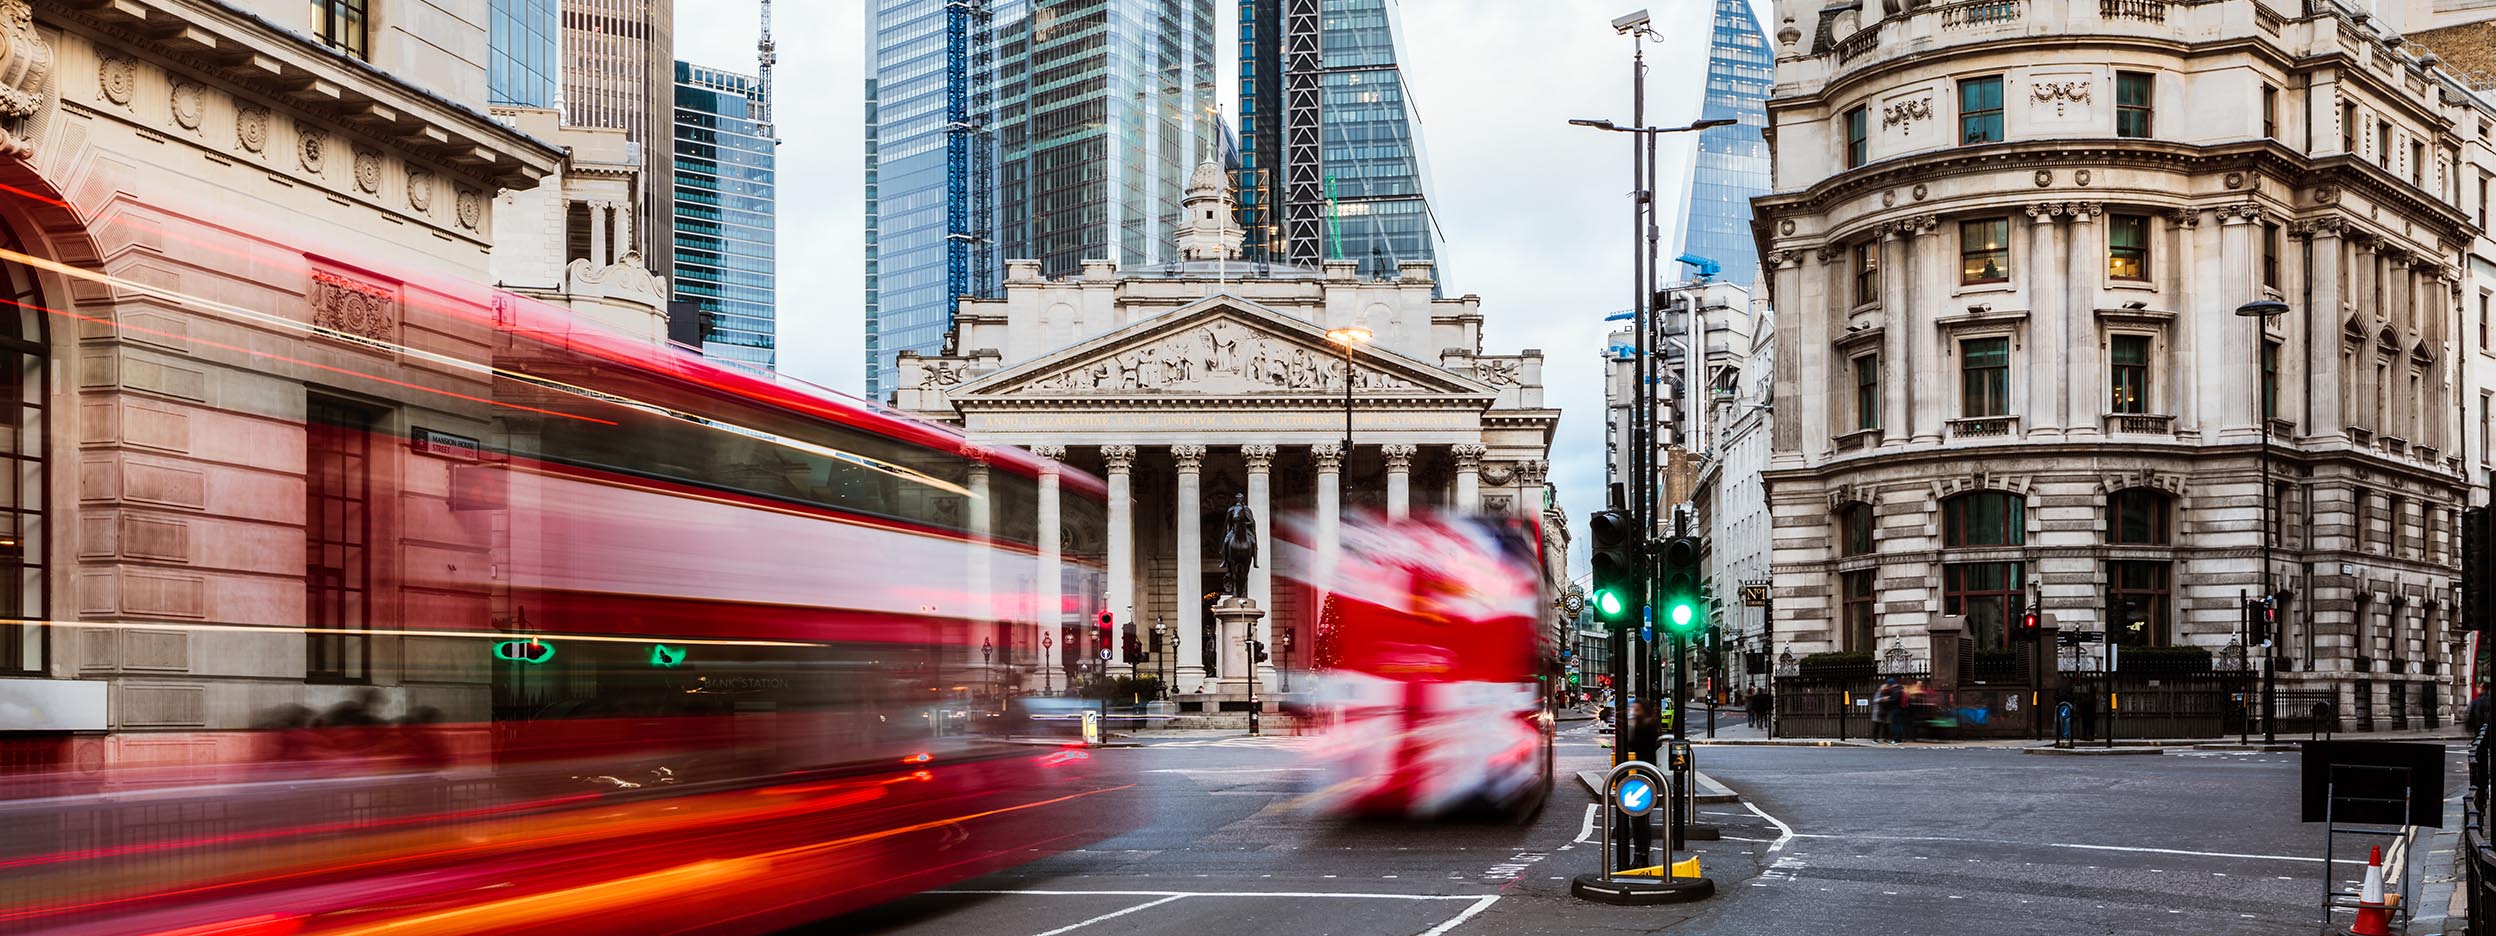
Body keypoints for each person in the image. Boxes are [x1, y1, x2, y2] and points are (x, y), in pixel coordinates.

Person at [1615, 700, 1661, 871]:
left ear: (1643, 711)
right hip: (1644, 775)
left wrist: (1627, 725)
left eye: (1636, 709)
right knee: (1640, 819)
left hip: (1644, 776)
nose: (1633, 712)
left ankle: (1641, 857)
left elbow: (1632, 743)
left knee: (1639, 819)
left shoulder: (1645, 726)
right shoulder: (1647, 724)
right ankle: (1640, 856)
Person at [1873, 676, 1901, 743]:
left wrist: (1887, 699)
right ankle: (1875, 738)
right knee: (1877, 725)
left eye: (1887, 687)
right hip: (1878, 711)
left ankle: (1886, 738)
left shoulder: (1889, 693)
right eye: (1885, 687)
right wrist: (1882, 699)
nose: (1886, 688)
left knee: (1886, 726)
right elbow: (1875, 700)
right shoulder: (1879, 693)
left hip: (1885, 711)